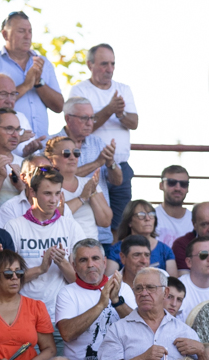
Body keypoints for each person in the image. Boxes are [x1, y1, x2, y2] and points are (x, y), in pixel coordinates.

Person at [0, 165, 82, 321]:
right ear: (32, 192)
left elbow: (80, 281)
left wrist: (62, 263)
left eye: (57, 193)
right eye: (47, 194)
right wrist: (41, 268)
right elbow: (5, 280)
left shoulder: (70, 226)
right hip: (23, 315)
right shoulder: (14, 226)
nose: (54, 200)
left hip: (61, 316)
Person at [69, 43, 138, 229]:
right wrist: (109, 110)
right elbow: (80, 126)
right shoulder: (79, 91)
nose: (110, 69)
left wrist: (120, 114)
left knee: (122, 224)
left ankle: (114, 257)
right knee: (93, 221)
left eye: (113, 64)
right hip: (89, 167)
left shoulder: (123, 89)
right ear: (90, 64)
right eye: (104, 64)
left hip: (120, 166)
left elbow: (135, 123)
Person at [53, 241, 129, 360]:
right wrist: (101, 304)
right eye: (83, 260)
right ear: (74, 266)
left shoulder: (123, 288)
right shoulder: (67, 293)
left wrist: (116, 301)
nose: (90, 264)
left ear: (104, 262)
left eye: (95, 258)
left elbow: (139, 326)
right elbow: (67, 334)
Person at [0, 12, 62, 140]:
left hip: (42, 146)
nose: (27, 36)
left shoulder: (43, 62)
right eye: (21, 31)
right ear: (5, 34)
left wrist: (38, 83)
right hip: (7, 146)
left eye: (30, 31)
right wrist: (26, 85)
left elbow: (59, 107)